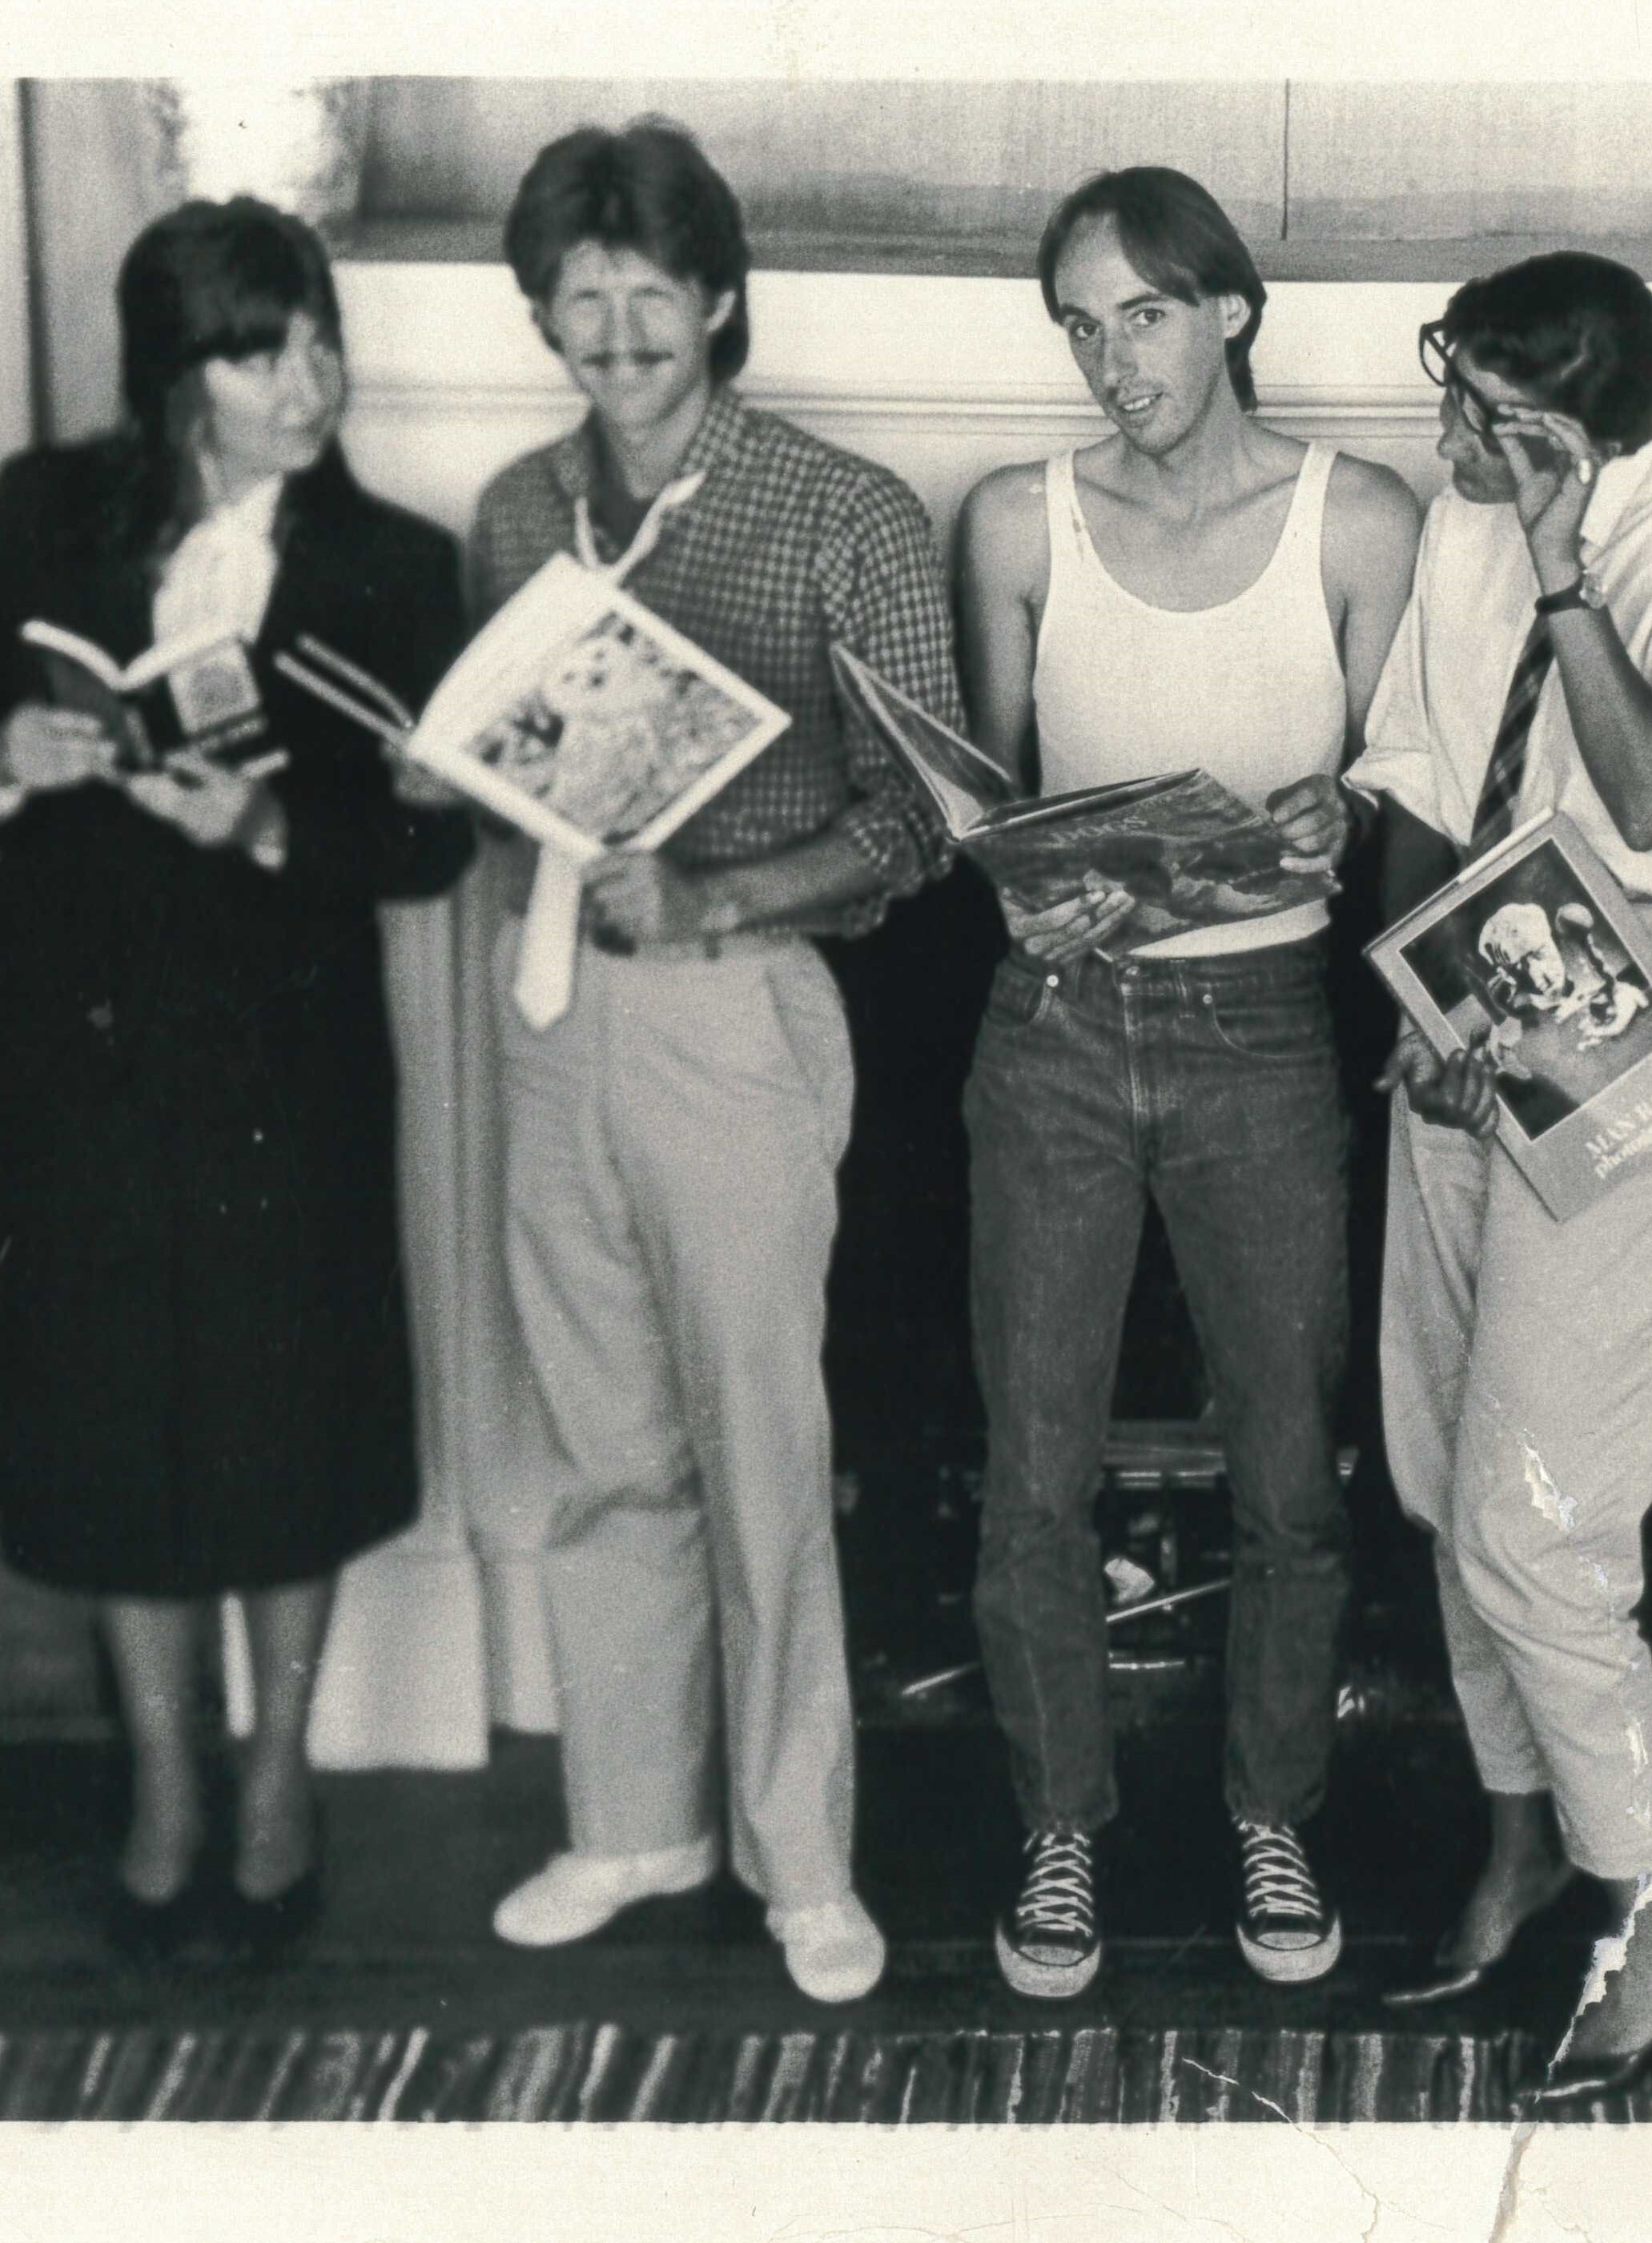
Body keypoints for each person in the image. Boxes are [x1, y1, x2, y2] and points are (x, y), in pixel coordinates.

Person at [0, 198, 476, 1964]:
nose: (312, 380)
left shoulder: (392, 561)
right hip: (73, 1053)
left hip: (278, 1067)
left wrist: (278, 821)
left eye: (319, 340)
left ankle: (278, 1782)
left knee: (280, 1425)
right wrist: (7, 747)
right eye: (260, 349)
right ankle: (164, 1784)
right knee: (107, 1425)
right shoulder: (45, 511)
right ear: (177, 372)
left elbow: (433, 847)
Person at [468, 120, 959, 2006]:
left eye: (647, 296)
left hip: (739, 1008)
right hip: (547, 1005)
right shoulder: (519, 512)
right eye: (577, 301)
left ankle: (802, 1860)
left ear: (719, 299)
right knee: (605, 1449)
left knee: (763, 1454)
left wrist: (720, 892)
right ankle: (630, 1821)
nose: (613, 334)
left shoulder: (844, 512)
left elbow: (921, 820)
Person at [1345, 251, 1652, 2106]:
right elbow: (1417, 770)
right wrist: (1408, 996)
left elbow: (1649, 807)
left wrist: (1562, 563)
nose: (1446, 439)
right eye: (1442, 391)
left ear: (1581, 422)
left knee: (1537, 1515)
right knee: (1436, 1459)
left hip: (1644, 983)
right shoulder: (1466, 516)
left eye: (1484, 415)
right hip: (1475, 986)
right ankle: (1523, 1843)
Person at [948, 168, 1422, 1999]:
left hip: (1264, 1031)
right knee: (1034, 1468)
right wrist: (1023, 875)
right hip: (1056, 1034)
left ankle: (1270, 1815)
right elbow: (981, 798)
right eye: (1076, 323)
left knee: (1290, 1471)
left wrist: (1342, 810)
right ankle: (1059, 1829)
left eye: (1138, 312)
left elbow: (1407, 789)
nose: (1106, 358)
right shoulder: (1016, 521)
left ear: (1227, 307)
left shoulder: (1356, 518)